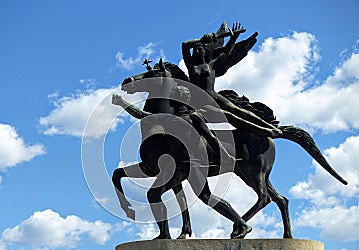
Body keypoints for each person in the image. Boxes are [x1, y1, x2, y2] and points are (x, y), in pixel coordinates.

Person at [112, 86, 252, 239]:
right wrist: (121, 103)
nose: (170, 100)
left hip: (191, 165)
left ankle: (241, 224)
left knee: (202, 197)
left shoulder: (192, 117)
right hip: (182, 167)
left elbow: (211, 139)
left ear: (178, 99)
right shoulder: (170, 118)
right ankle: (165, 233)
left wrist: (226, 156)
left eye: (173, 97)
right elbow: (141, 115)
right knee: (164, 195)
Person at [182, 23, 283, 138]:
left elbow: (225, 53)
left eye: (200, 49)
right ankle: (265, 130)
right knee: (230, 116)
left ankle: (270, 126)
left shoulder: (211, 64)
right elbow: (185, 45)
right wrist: (202, 39)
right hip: (202, 101)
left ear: (206, 52)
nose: (197, 51)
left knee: (240, 111)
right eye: (195, 50)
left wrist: (233, 38)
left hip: (214, 96)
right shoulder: (191, 67)